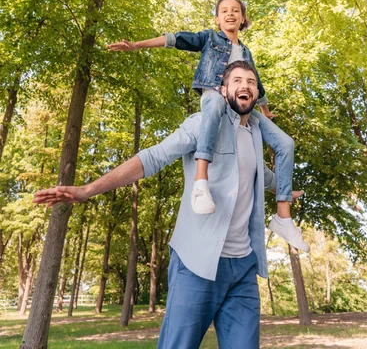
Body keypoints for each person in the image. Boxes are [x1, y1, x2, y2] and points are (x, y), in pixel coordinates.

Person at [34, 61, 305, 349]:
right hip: (197, 263)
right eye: (237, 80)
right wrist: (88, 190)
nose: (246, 85)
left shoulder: (256, 135)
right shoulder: (202, 123)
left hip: (243, 268)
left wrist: (287, 191)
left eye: (251, 82)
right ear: (224, 90)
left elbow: (262, 177)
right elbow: (153, 158)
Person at [107, 0, 309, 251]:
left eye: (236, 10)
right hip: (215, 93)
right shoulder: (209, 38)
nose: (230, 14)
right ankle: (200, 183)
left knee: (285, 143)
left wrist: (266, 112)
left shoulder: (246, 52)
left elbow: (256, 84)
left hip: (239, 103)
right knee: (213, 105)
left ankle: (283, 216)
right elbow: (176, 39)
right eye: (224, 10)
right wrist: (137, 45)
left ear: (243, 18)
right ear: (217, 18)